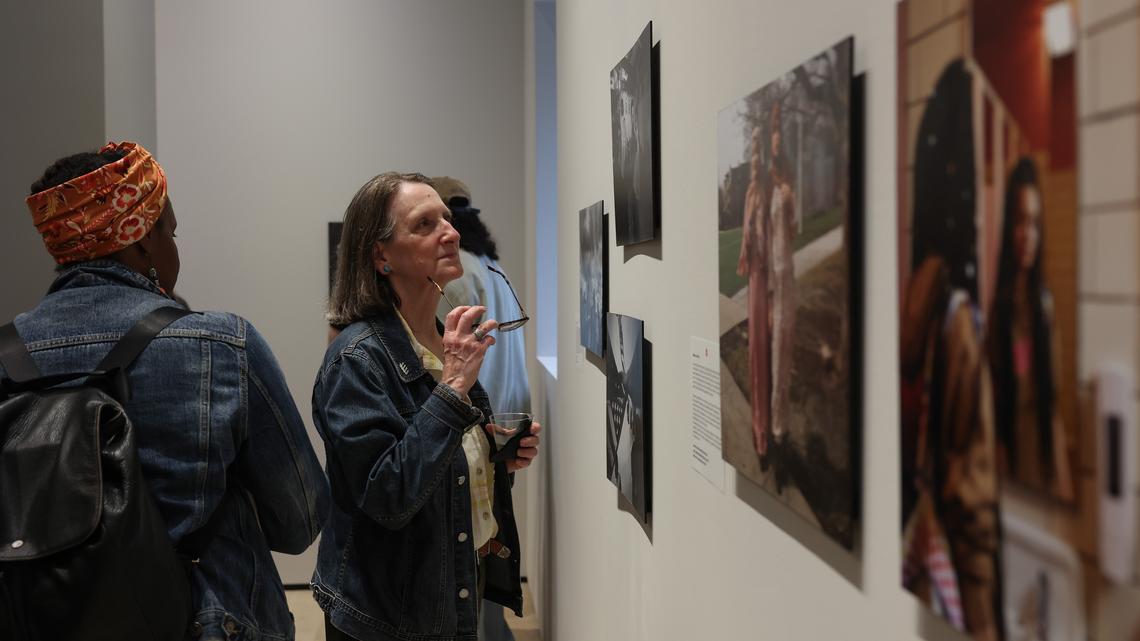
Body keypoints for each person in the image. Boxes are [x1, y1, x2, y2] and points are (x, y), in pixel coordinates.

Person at [6, 142, 330, 639]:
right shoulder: (222, 344)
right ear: (140, 242)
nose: (175, 248)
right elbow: (299, 521)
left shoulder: (7, 355)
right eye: (170, 233)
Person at [314, 171, 541, 641]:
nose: (451, 232)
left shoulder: (442, 341)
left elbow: (440, 467)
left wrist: (496, 458)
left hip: (452, 586)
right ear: (381, 255)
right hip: (387, 618)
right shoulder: (357, 359)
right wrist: (454, 387)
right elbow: (389, 495)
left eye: (447, 218)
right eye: (424, 224)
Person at [430, 176, 529, 641]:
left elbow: (459, 362)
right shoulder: (492, 265)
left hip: (475, 429)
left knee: (475, 560)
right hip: (501, 425)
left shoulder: (460, 275)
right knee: (488, 549)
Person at [987, 157, 1074, 501]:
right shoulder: (1001, 308)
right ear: (1009, 226)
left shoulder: (1044, 305)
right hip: (1010, 450)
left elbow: (1052, 393)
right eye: (1022, 221)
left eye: (1036, 223)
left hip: (1043, 447)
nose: (1029, 236)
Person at [736, 125, 773, 458]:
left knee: (765, 357)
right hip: (754, 284)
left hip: (767, 282)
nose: (756, 159)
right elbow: (747, 250)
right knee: (756, 358)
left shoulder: (768, 192)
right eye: (753, 152)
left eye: (760, 152)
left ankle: (767, 430)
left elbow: (770, 241)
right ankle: (759, 430)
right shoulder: (751, 193)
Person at [767, 102, 797, 450]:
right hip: (775, 281)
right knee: (775, 357)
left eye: (779, 146)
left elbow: (791, 231)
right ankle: (776, 427)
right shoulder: (771, 189)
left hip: (786, 279)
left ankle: (781, 425)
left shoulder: (787, 191)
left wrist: (790, 204)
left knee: (784, 356)